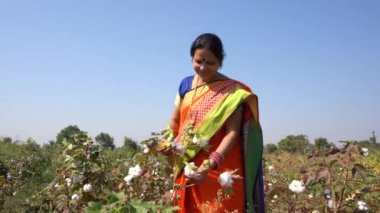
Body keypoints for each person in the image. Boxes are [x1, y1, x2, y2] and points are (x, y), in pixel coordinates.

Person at [164, 33, 264, 212]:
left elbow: (232, 133)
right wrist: (165, 143)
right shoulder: (185, 85)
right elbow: (175, 121)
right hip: (188, 167)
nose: (202, 67)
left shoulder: (231, 91)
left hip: (220, 169)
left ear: (220, 62)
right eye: (198, 61)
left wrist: (210, 164)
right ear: (192, 58)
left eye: (209, 63)